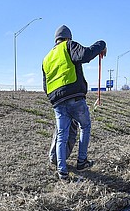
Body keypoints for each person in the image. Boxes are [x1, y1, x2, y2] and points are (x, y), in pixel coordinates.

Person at [42, 25, 106, 181]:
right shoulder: (68, 46)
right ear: (67, 37)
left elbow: (45, 85)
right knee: (85, 125)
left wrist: (55, 98)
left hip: (57, 102)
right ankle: (81, 161)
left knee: (62, 135)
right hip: (75, 97)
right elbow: (85, 55)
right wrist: (101, 44)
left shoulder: (47, 58)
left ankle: (62, 171)